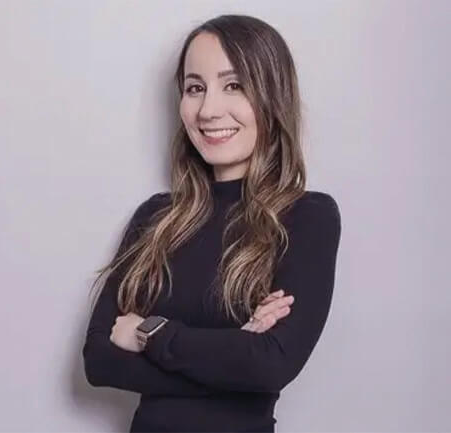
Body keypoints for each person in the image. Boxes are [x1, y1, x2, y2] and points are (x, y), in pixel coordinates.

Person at [82, 14, 342, 433]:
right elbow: (99, 360)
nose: (208, 109)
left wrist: (151, 332)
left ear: (272, 96)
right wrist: (233, 355)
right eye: (195, 88)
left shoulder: (306, 217)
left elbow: (271, 365)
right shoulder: (155, 217)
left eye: (234, 85)